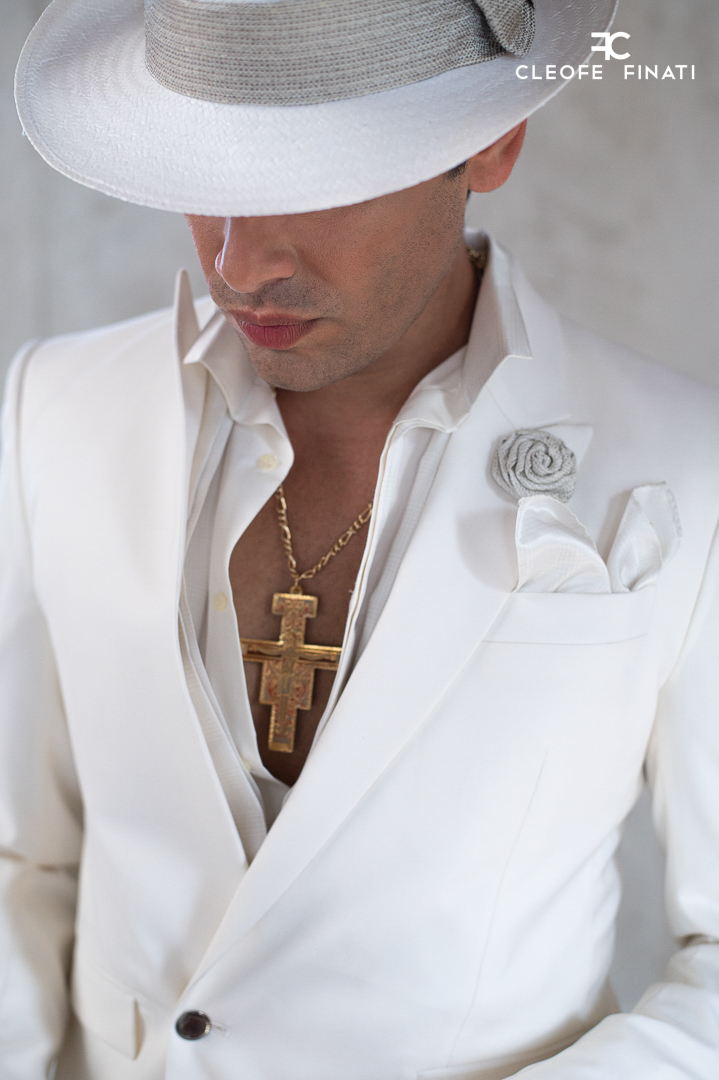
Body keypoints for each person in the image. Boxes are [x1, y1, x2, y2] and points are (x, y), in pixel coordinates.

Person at [3, 0, 719, 1078]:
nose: (241, 263)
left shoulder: (683, 460)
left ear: (491, 144)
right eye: (202, 170)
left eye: (313, 179)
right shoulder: (53, 408)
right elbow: (17, 859)